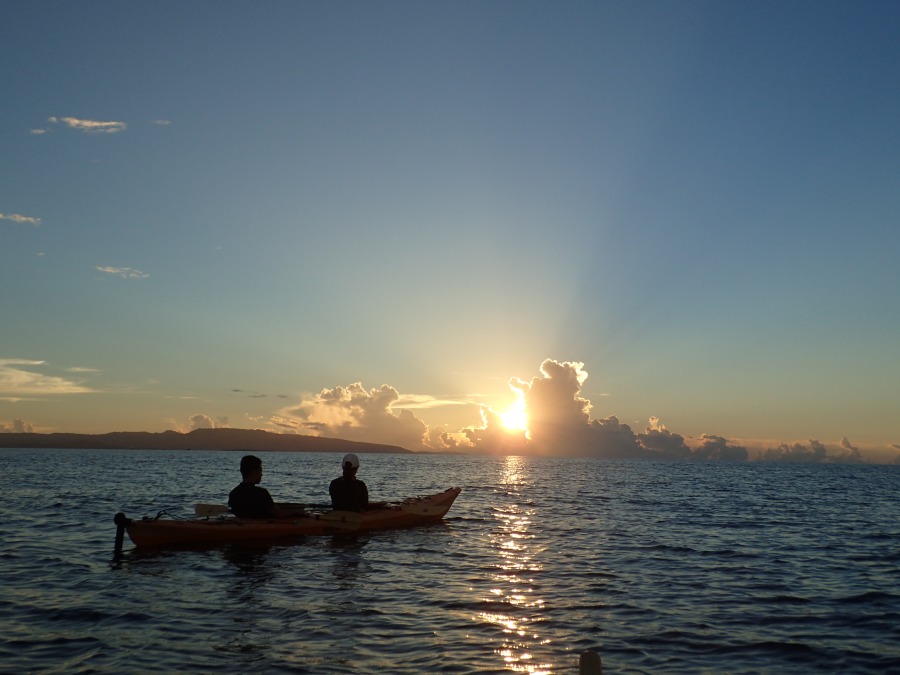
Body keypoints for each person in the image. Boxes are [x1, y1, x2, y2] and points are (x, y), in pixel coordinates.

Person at [228, 455, 305, 519]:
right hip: (261, 528)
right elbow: (279, 514)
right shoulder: (261, 493)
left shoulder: (233, 494)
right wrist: (296, 511)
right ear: (254, 472)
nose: (261, 474)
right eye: (260, 470)